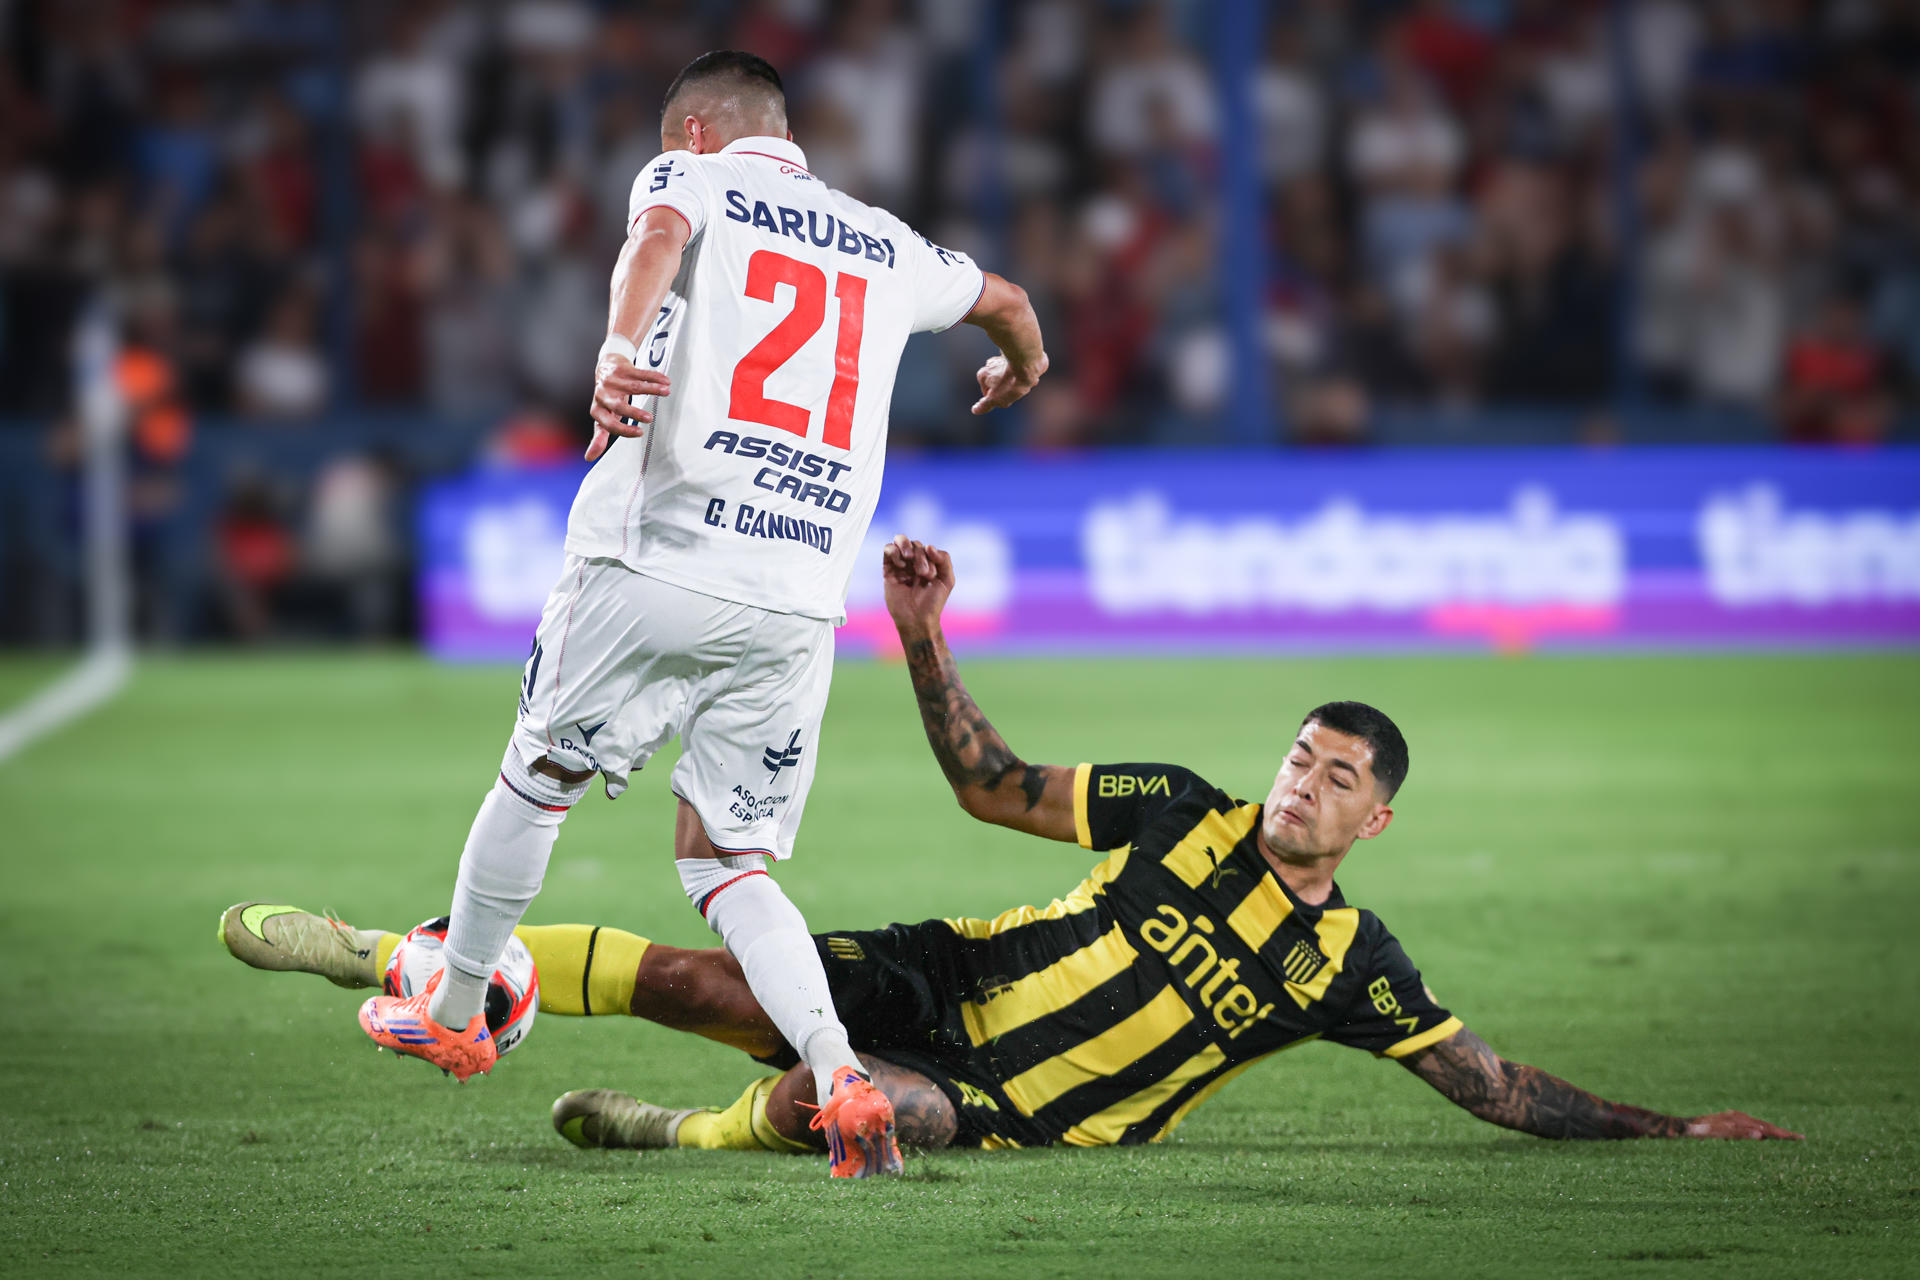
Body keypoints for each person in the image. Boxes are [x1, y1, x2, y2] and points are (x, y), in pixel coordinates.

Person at [226, 540, 1797, 1155]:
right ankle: (386, 953)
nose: (1297, 786)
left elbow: (1501, 1091)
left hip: (1021, 1101)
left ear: (1375, 820)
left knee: (840, 1110)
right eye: (1296, 758)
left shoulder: (1351, 968)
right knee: (706, 977)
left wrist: (1677, 1136)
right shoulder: (1186, 807)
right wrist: (922, 637)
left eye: (1332, 780)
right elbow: (991, 784)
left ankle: (675, 1138)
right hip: (955, 968)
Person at [350, 51, 1048, 1181]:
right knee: (730, 864)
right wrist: (1024, 366)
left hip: (657, 556)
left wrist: (620, 349)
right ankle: (838, 1070)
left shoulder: (693, 180)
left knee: (539, 777)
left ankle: (459, 999)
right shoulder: (884, 240)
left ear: (696, 131)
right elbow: (1011, 303)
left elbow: (653, 246)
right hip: (796, 604)